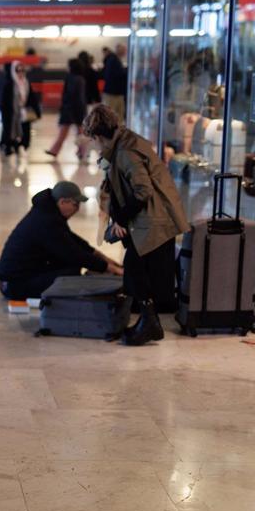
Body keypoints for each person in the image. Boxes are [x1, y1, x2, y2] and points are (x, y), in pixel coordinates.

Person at [83, 104, 189, 345]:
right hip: (150, 216)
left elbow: (142, 191)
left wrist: (121, 218)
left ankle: (150, 322)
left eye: (93, 140)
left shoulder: (125, 152)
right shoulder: (124, 143)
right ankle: (148, 320)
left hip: (155, 217)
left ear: (99, 136)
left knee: (134, 266)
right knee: (136, 268)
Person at [0, 181, 123, 301]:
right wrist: (112, 269)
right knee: (71, 273)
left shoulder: (47, 213)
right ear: (63, 202)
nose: (78, 209)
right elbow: (74, 254)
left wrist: (109, 262)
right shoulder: (47, 222)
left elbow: (75, 242)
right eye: (75, 204)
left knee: (71, 266)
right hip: (13, 286)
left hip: (18, 278)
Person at [46, 59, 89, 160]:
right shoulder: (79, 79)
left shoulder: (73, 78)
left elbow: (73, 96)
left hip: (71, 109)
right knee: (78, 132)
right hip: (75, 109)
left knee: (74, 132)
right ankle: (81, 152)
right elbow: (80, 98)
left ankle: (81, 152)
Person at [0, 60, 39, 155]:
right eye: (18, 71)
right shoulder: (9, 84)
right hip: (11, 113)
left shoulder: (26, 83)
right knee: (10, 130)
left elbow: (31, 97)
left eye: (22, 70)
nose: (20, 73)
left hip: (24, 112)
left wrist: (36, 110)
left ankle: (21, 145)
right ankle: (9, 145)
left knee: (25, 131)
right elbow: (4, 100)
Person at [102, 43, 128, 119]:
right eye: (124, 50)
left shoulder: (115, 60)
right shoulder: (113, 60)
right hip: (112, 93)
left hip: (116, 93)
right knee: (111, 117)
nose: (125, 52)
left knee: (118, 116)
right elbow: (115, 75)